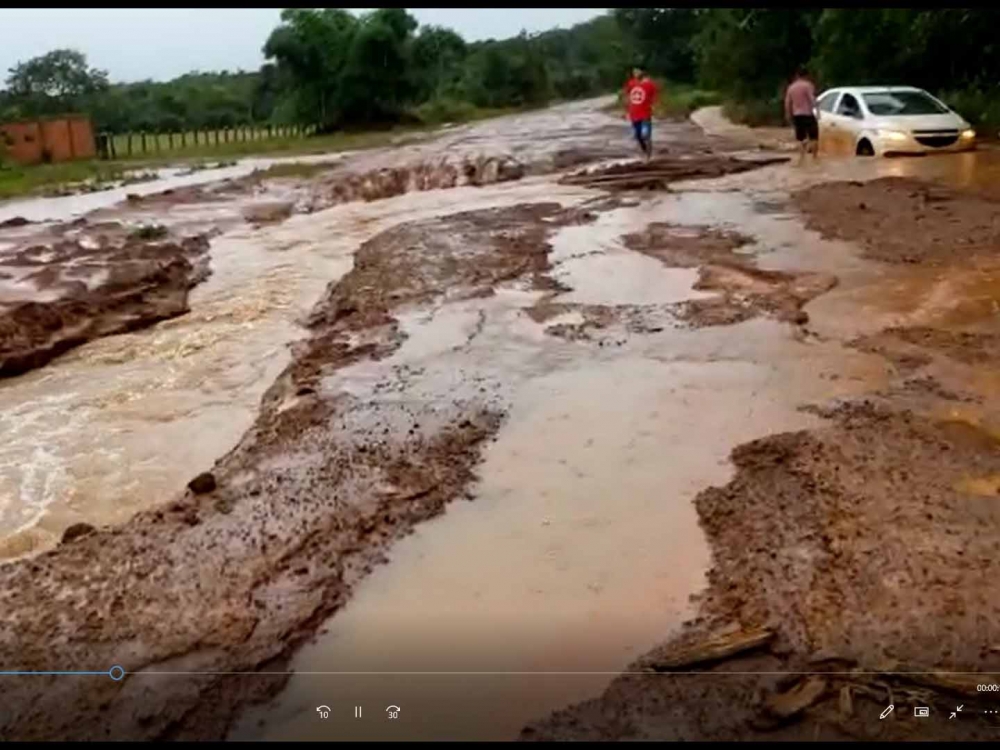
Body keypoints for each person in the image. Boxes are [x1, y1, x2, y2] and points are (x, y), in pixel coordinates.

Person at [784, 66, 819, 163]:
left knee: (800, 137)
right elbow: (812, 99)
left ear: (797, 75)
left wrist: (788, 114)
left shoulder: (791, 87)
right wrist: (817, 108)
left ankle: (801, 158)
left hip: (797, 115)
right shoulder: (808, 85)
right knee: (814, 137)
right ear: (806, 75)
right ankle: (814, 159)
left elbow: (787, 103)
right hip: (808, 114)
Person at [624, 65, 658, 161]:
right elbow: (628, 96)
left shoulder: (650, 84)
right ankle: (644, 152)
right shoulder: (631, 83)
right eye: (634, 72)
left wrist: (654, 106)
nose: (635, 74)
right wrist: (626, 110)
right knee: (638, 136)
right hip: (634, 114)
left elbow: (655, 96)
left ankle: (648, 156)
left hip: (645, 114)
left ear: (642, 72)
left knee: (646, 135)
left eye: (637, 72)